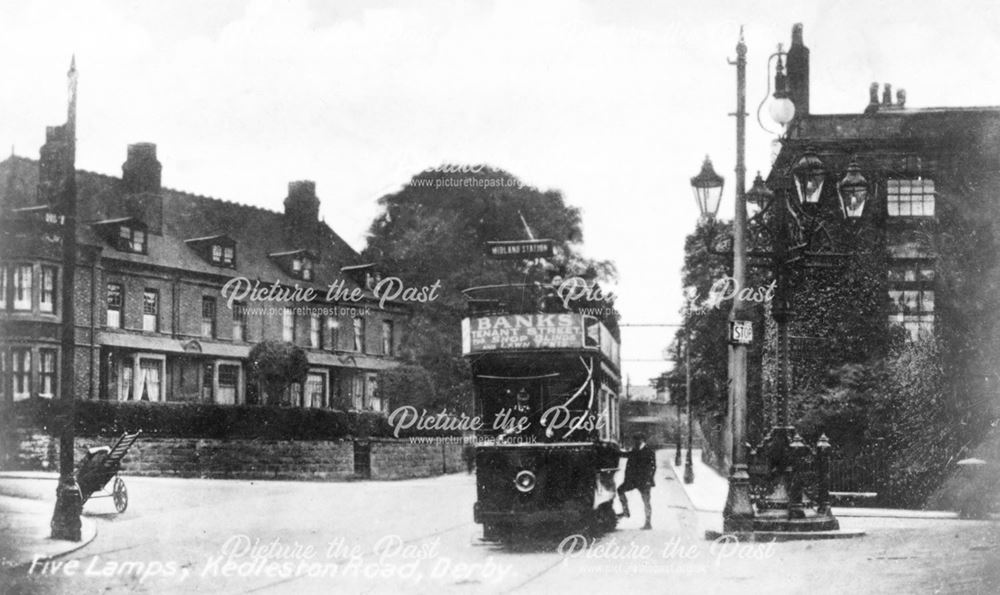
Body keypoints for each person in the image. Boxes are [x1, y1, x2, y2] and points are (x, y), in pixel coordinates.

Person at [617, 433, 656, 530]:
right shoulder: (635, 450)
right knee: (620, 490)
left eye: (637, 440)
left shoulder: (649, 451)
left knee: (646, 501)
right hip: (633, 480)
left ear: (642, 440)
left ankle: (648, 523)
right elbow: (626, 455)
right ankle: (626, 511)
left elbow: (653, 467)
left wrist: (649, 479)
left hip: (644, 481)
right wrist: (615, 451)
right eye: (635, 440)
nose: (635, 442)